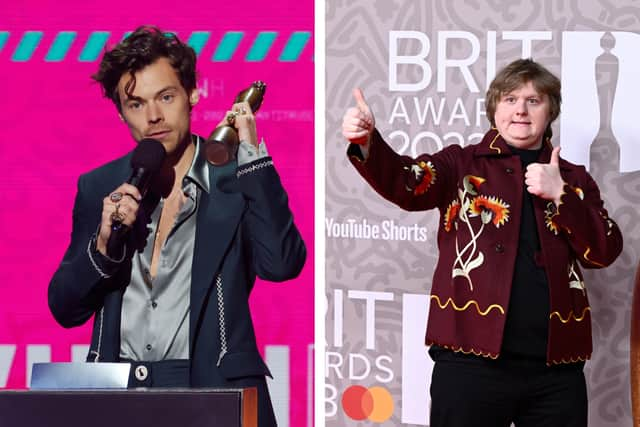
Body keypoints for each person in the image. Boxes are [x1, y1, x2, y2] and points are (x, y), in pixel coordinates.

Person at [342, 58, 622, 427]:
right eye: (509, 99)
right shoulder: (460, 163)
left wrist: (561, 195)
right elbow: (406, 183)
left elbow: (604, 251)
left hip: (556, 370)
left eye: (533, 100)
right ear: (494, 108)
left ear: (550, 110)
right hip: (468, 362)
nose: (520, 109)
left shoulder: (573, 177)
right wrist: (367, 143)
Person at [49, 26, 306, 427]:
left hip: (213, 389)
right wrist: (102, 245)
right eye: (136, 104)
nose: (153, 116)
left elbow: (282, 264)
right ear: (121, 113)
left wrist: (251, 155)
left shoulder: (236, 178)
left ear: (192, 94)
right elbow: (64, 308)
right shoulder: (101, 186)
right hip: (119, 392)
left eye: (166, 97)